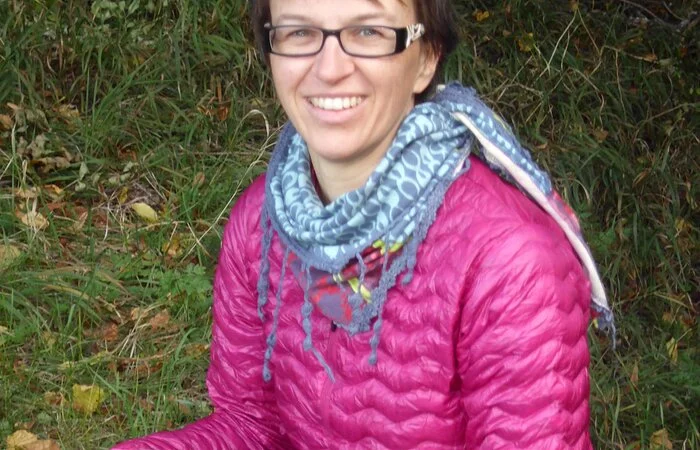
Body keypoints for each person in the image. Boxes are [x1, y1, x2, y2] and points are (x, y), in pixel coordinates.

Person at [114, 0, 615, 448]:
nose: (329, 69)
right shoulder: (261, 224)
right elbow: (252, 426)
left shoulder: (508, 262)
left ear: (426, 58)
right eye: (299, 32)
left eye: (368, 31)